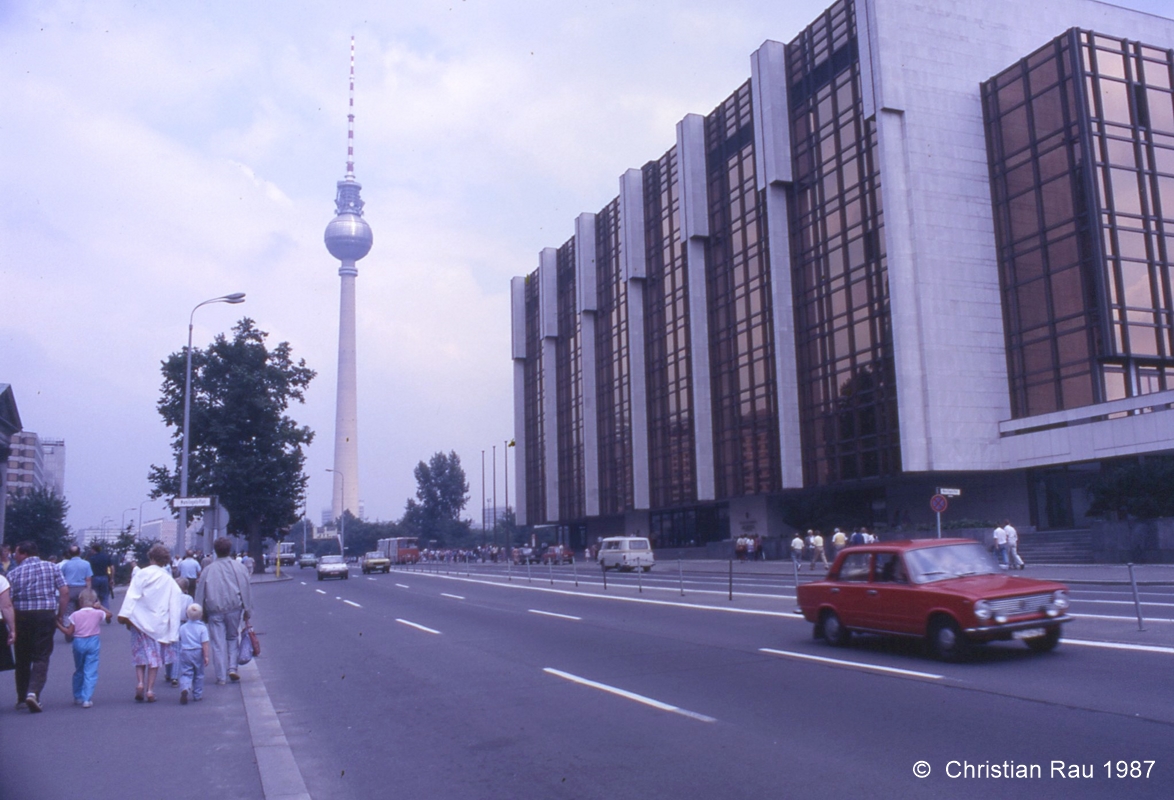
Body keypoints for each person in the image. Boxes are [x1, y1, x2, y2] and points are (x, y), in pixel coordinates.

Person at [118, 544, 185, 703]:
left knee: (140, 655)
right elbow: (175, 605)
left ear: (151, 558)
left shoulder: (141, 574)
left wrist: (125, 614)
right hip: (158, 624)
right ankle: (150, 690)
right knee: (154, 659)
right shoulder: (169, 581)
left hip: (139, 621)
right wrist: (173, 630)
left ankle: (140, 683)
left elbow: (132, 595)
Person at [8, 541, 68, 712]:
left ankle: (21, 697)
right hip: (45, 614)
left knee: (22, 657)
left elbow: (8, 601)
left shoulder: (13, 574)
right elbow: (64, 592)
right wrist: (60, 614)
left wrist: (11, 624)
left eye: (16, 553)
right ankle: (33, 693)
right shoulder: (52, 568)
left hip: (22, 616)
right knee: (42, 655)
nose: (14, 556)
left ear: (24, 554)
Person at [194, 537, 253, 685]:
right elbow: (246, 589)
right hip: (234, 608)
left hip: (214, 611)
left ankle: (220, 677)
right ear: (229, 550)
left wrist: (197, 612)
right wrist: (247, 610)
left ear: (215, 550)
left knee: (217, 643)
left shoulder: (208, 570)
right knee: (233, 638)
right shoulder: (239, 568)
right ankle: (232, 668)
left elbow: (200, 592)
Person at [56, 588, 111, 708]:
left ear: (80, 601)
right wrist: (100, 607)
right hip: (93, 641)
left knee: (79, 669)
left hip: (78, 642)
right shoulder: (97, 613)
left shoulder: (75, 615)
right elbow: (109, 615)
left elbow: (69, 632)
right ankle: (87, 698)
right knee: (91, 670)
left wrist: (58, 625)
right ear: (94, 601)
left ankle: (77, 696)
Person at [176, 603, 210, 705]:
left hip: (185, 651)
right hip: (198, 651)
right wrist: (206, 656)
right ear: (201, 615)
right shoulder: (202, 628)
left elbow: (179, 639)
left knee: (186, 672)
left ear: (187, 614)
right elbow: (205, 643)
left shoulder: (183, 627)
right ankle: (197, 694)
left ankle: (185, 687)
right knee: (199, 674)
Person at [60, 545, 94, 613]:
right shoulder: (86, 564)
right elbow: (88, 579)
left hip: (70, 589)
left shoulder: (66, 565)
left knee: (69, 610)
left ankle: (70, 622)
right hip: (82, 589)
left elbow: (61, 578)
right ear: (80, 553)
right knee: (82, 610)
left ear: (69, 554)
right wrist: (89, 591)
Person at [87, 542, 115, 617]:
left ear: (93, 550)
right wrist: (111, 578)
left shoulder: (91, 558)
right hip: (104, 578)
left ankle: (96, 615)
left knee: (94, 597)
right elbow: (111, 568)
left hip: (94, 578)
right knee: (105, 597)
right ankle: (106, 614)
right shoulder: (106, 557)